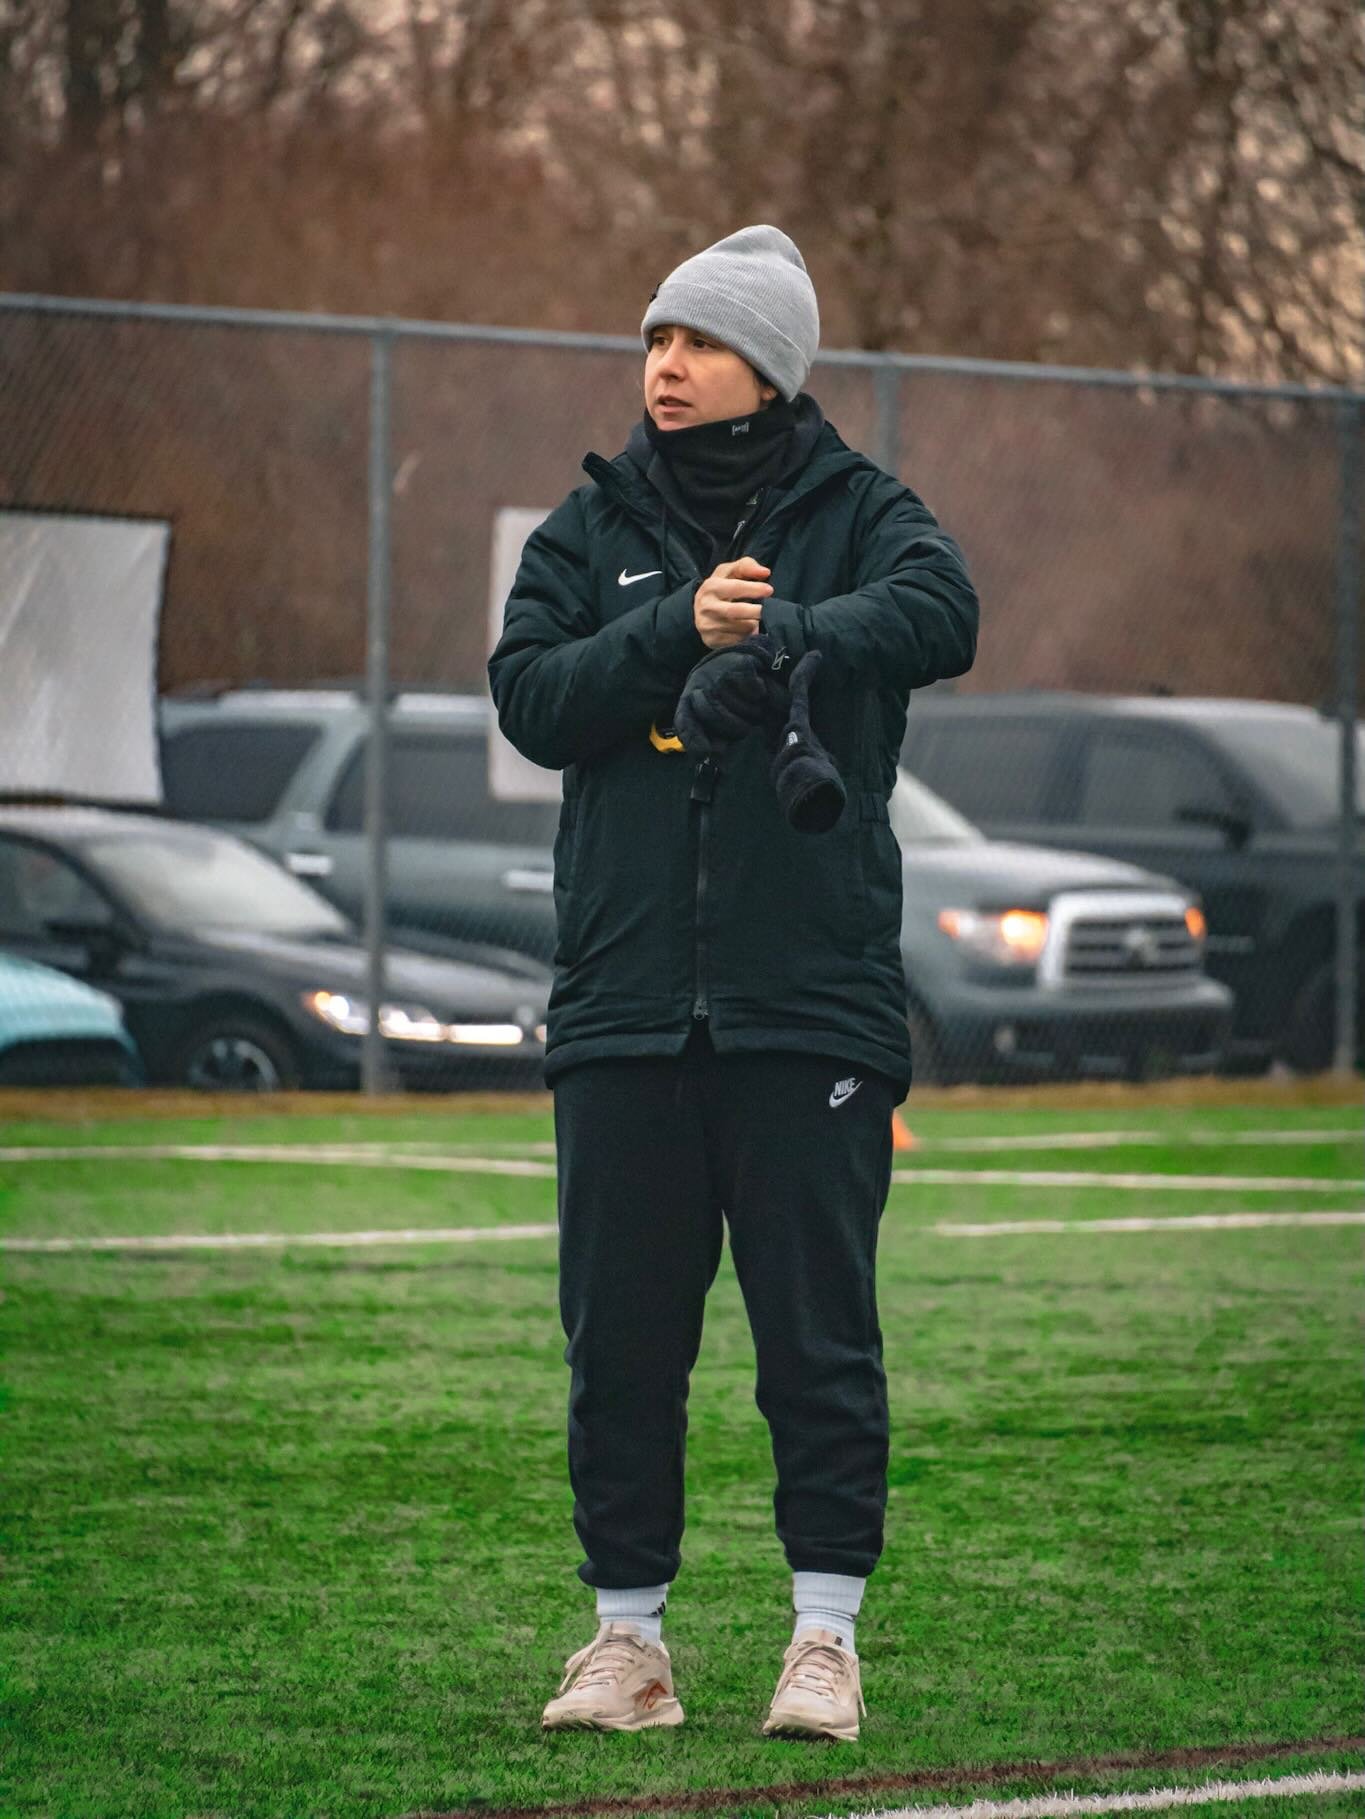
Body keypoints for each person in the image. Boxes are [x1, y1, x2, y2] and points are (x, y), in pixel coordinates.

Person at [488, 225, 978, 1742]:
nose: (664, 366)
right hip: (625, 1007)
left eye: (695, 342)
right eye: (653, 341)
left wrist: (781, 630)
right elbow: (528, 696)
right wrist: (668, 633)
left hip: (806, 1006)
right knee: (618, 1346)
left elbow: (942, 616)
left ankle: (820, 1641)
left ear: (769, 364)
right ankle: (624, 1645)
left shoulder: (860, 513)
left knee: (817, 1343)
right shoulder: (591, 525)